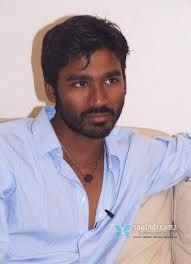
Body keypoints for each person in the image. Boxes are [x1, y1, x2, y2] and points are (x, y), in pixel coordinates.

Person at [0, 15, 191, 264]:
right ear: (50, 90)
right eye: (80, 83)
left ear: (125, 83)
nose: (99, 99)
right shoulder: (8, 152)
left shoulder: (138, 154)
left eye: (111, 80)